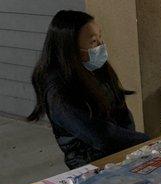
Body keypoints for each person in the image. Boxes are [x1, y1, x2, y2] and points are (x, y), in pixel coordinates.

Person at [27, 10, 149, 169]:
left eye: (100, 37)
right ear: (70, 47)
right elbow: (99, 135)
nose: (101, 45)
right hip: (90, 166)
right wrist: (145, 141)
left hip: (120, 155)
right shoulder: (58, 91)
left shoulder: (96, 68)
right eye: (93, 41)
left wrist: (134, 145)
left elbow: (121, 111)